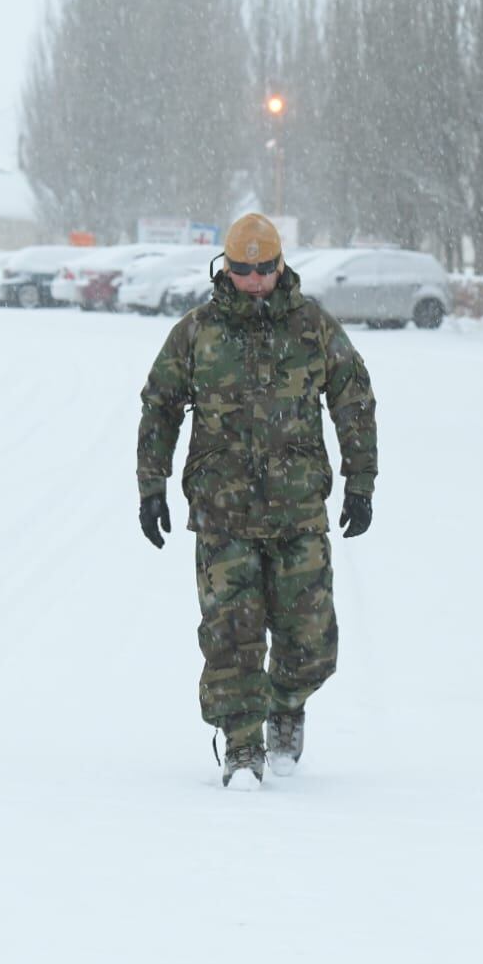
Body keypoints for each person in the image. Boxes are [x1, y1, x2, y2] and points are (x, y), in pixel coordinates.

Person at [136, 213, 378, 790]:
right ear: (226, 266)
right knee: (231, 636)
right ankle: (242, 746)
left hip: (298, 511)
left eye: (263, 268)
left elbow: (354, 399)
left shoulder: (312, 327)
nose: (253, 279)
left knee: (310, 640)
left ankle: (286, 707)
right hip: (222, 514)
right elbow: (160, 405)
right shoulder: (197, 332)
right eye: (242, 269)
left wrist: (361, 482)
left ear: (280, 265)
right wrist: (151, 485)